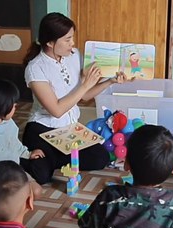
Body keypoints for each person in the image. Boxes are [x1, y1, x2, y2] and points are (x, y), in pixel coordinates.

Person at [21, 12, 130, 184]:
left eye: (72, 38)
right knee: (41, 176)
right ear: (50, 42)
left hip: (68, 130)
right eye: (67, 39)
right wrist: (86, 84)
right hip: (43, 129)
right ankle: (39, 157)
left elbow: (84, 96)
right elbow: (56, 110)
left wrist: (110, 81)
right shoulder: (35, 68)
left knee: (100, 158)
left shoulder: (73, 56)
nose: (72, 43)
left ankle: (54, 158)